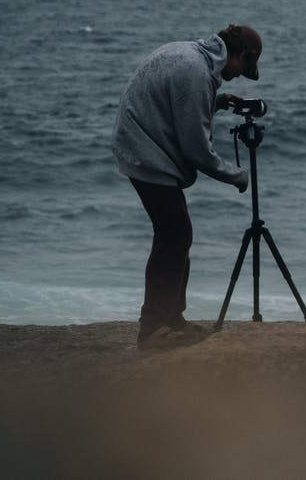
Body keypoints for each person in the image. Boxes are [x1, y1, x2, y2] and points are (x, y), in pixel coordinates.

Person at [112, 25, 262, 349]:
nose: (238, 76)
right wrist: (237, 175)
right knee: (174, 235)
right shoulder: (197, 74)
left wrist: (217, 101)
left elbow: (179, 104)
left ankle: (171, 320)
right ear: (241, 54)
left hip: (139, 143)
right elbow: (196, 150)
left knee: (177, 234)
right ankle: (153, 328)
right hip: (144, 152)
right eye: (243, 68)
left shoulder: (192, 55)